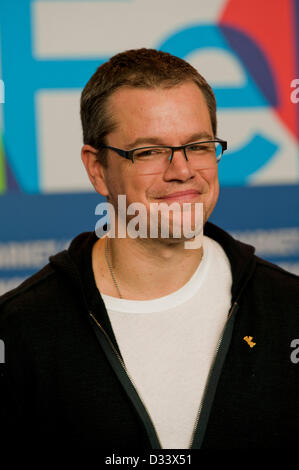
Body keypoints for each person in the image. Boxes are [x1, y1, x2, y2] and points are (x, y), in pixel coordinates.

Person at [1, 48, 299, 452]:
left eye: (198, 145)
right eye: (150, 151)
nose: (182, 170)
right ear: (97, 169)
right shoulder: (20, 330)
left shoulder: (289, 308)